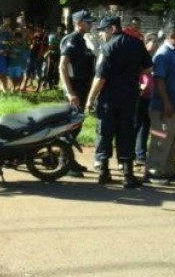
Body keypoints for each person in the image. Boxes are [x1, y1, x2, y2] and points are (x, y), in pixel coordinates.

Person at [85, 17, 153, 188]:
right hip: (129, 96)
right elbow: (148, 67)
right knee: (127, 133)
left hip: (108, 97)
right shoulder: (137, 43)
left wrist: (90, 99)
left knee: (104, 132)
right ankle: (128, 175)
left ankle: (104, 172)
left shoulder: (107, 47)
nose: (101, 34)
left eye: (103, 30)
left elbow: (100, 77)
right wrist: (133, 75)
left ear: (112, 28)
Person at [144, 22, 175, 185]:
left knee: (173, 142)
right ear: (172, 35)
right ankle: (153, 171)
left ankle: (167, 169)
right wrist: (166, 103)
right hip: (164, 108)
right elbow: (159, 80)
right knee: (160, 140)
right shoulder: (164, 54)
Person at [60, 10, 97, 177]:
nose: (91, 24)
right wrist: (70, 92)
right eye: (88, 22)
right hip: (74, 88)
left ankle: (69, 159)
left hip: (82, 87)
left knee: (76, 125)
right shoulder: (72, 40)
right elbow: (62, 66)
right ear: (79, 23)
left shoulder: (81, 40)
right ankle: (64, 163)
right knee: (71, 126)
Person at [134, 32, 160, 166]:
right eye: (153, 41)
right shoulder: (139, 56)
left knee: (146, 126)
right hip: (139, 96)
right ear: (146, 43)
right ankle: (131, 154)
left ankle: (141, 154)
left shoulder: (156, 58)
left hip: (150, 97)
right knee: (136, 125)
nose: (156, 44)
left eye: (157, 41)